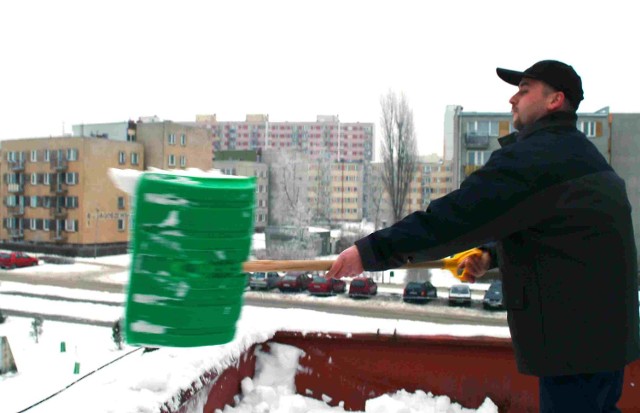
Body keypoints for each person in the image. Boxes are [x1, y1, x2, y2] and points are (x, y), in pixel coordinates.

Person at [326, 60, 640, 412]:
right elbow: (556, 229)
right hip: (601, 339)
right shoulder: (579, 154)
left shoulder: (536, 158)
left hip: (575, 344)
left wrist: (369, 252)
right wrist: (491, 253)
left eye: (524, 91)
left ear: (555, 101)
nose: (512, 100)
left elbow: (452, 219)